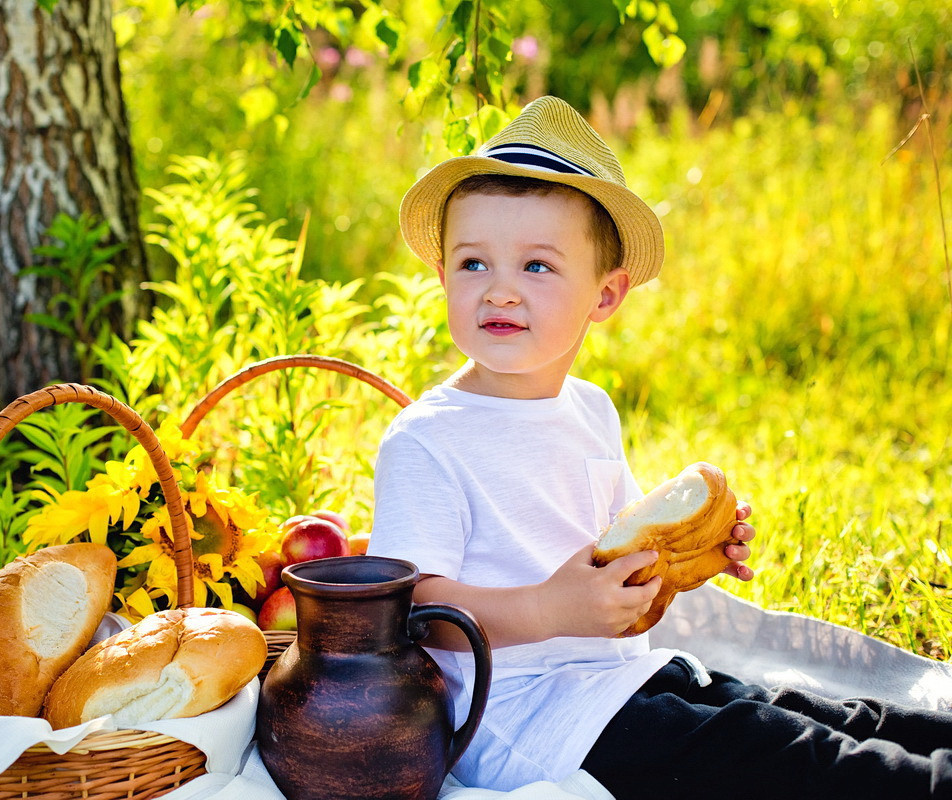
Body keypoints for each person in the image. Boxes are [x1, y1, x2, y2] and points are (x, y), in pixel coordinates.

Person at [368, 95, 952, 799]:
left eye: (538, 267)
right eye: (472, 264)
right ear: (440, 278)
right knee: (775, 752)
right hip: (525, 720)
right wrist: (549, 610)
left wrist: (685, 560)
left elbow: (622, 571)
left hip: (621, 677)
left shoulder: (590, 409)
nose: (501, 292)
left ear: (605, 295)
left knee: (792, 709)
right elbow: (411, 612)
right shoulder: (429, 440)